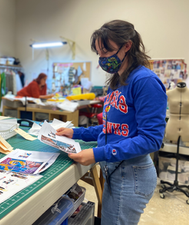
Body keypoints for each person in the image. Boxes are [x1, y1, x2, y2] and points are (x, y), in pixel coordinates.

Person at [56, 20, 167, 224]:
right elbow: (112, 129)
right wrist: (76, 133)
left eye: (107, 52)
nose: (102, 59)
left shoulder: (144, 82)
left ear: (127, 46)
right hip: (116, 170)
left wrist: (98, 153)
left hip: (131, 174)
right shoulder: (118, 80)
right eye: (99, 53)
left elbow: (151, 140)